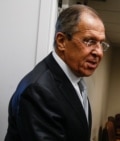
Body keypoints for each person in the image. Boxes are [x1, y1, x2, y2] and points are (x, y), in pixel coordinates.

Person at [5, 5, 109, 141]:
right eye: (89, 41)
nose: (99, 52)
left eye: (101, 43)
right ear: (61, 41)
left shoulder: (76, 82)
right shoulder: (38, 91)